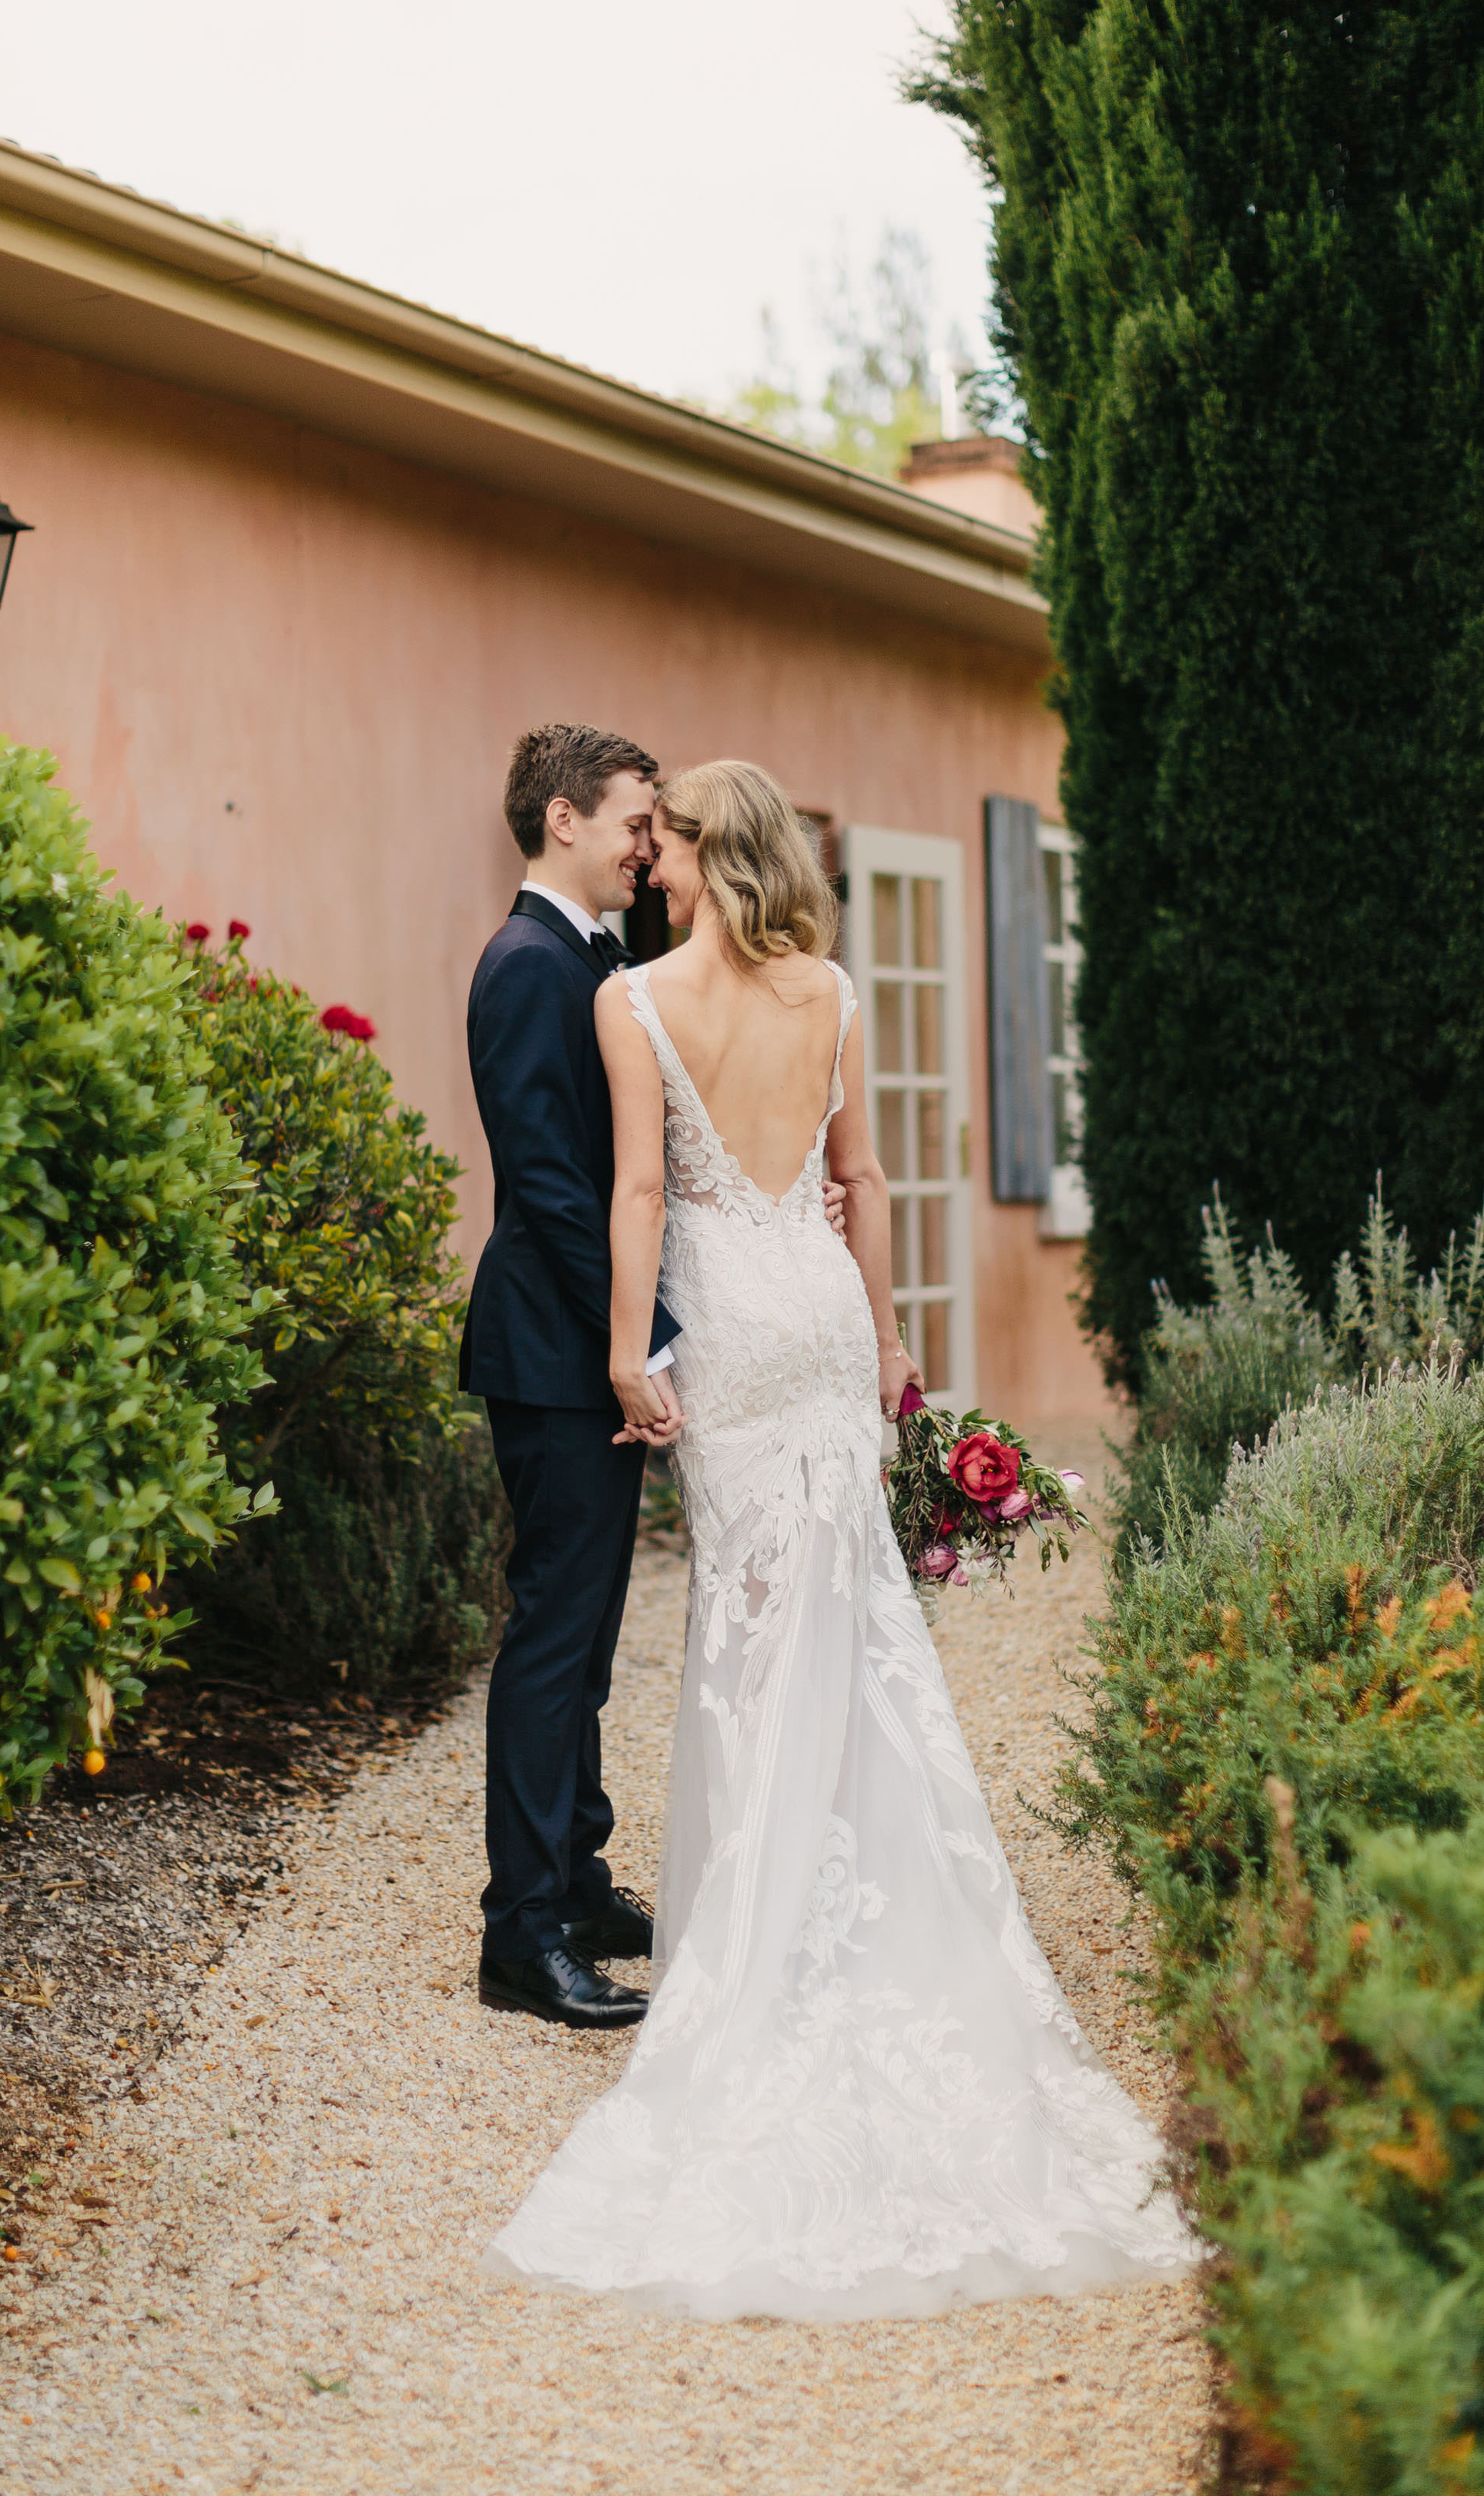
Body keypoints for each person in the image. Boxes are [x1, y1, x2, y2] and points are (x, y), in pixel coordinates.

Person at [484, 759, 1198, 2319]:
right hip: (814, 1322)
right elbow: (863, 1181)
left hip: (729, 1333)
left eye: (664, 835)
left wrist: (627, 1352)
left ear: (695, 857)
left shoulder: (632, 1001)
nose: (647, 851)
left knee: (748, 1622)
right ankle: (851, 1893)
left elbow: (638, 1191)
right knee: (850, 1604)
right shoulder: (834, 988)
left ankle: (764, 1919)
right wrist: (888, 1344)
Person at [461, 725, 847, 2032]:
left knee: (587, 1646)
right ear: (565, 818)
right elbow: (558, 1190)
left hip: (599, 1354)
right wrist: (656, 1344)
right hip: (555, 1355)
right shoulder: (523, 966)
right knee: (553, 1638)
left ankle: (575, 1878)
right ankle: (520, 1934)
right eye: (634, 818)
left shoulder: (609, 962)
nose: (647, 842)